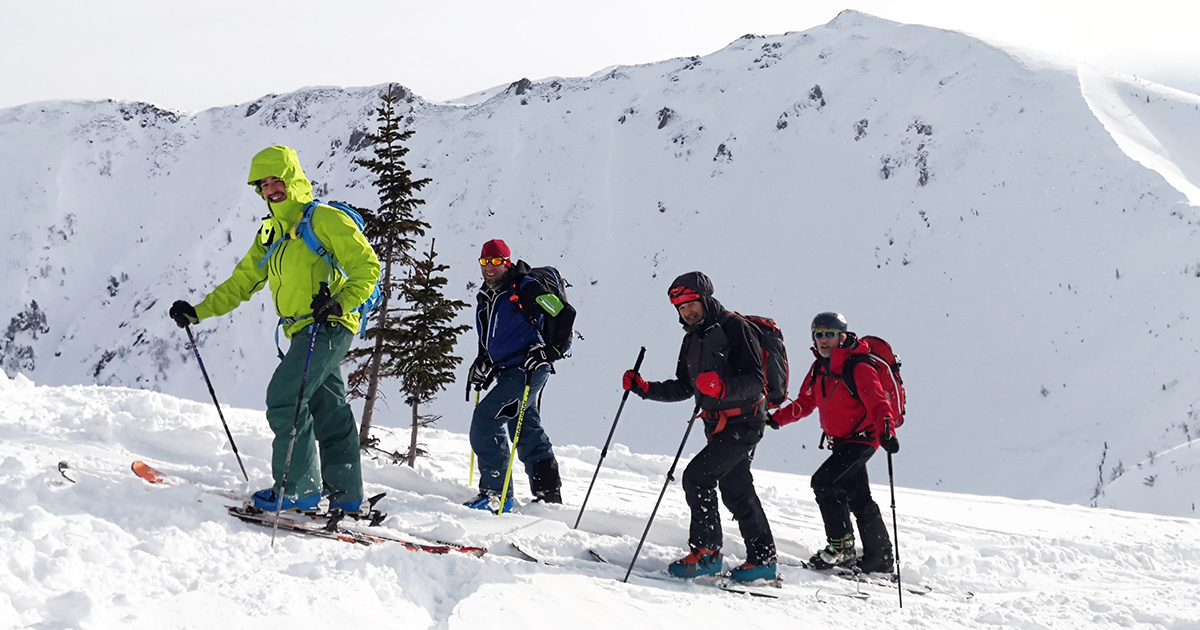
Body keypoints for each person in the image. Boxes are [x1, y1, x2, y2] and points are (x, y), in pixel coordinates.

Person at [168, 145, 381, 514]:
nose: (271, 189)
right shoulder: (271, 233)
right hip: (303, 331)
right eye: (263, 184)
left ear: (293, 179)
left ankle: (298, 489)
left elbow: (368, 268)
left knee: (285, 398)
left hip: (328, 325)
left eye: (276, 180)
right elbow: (242, 283)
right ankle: (346, 495)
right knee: (328, 408)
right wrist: (198, 311)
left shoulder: (325, 220)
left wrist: (340, 303)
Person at [622, 271, 777, 582]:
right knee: (736, 489)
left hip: (745, 420)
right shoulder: (691, 338)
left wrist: (722, 388)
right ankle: (763, 560)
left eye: (691, 303)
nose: (687, 311)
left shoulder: (736, 327)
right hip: (718, 424)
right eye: (680, 307)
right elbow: (684, 387)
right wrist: (645, 388)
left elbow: (755, 381)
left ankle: (707, 552)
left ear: (705, 299)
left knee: (697, 477)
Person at [769, 312, 897, 574]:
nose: (824, 340)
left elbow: (877, 402)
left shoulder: (858, 366)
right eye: (819, 335)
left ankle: (840, 548)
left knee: (824, 482)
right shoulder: (820, 367)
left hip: (862, 439)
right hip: (841, 441)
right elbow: (806, 402)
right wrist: (776, 420)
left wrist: (887, 430)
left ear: (842, 335)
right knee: (859, 497)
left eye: (830, 334)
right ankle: (879, 558)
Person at [464, 239, 575, 513]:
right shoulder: (486, 297)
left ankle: (496, 495)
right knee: (523, 426)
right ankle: (549, 496)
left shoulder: (526, 288)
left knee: (486, 420)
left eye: (495, 262)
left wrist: (551, 352)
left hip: (527, 370)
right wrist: (483, 363)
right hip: (508, 372)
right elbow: (492, 338)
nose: (489, 268)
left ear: (507, 262)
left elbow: (563, 313)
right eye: (484, 262)